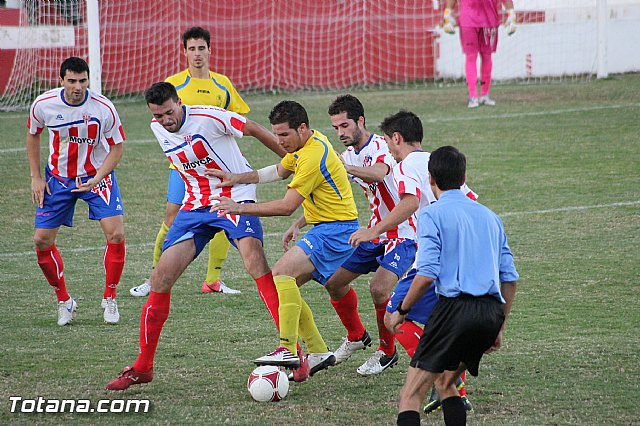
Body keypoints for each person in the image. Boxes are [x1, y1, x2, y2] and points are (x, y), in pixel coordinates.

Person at [105, 82, 285, 391]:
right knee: (161, 277)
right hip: (196, 204)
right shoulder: (157, 127)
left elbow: (253, 128)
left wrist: (291, 160)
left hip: (236, 195)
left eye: (169, 113)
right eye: (159, 116)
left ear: (179, 102)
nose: (165, 120)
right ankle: (143, 366)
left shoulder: (209, 117)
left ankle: (292, 349)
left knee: (254, 260)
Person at [207, 100, 359, 382]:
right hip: (324, 228)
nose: (279, 141)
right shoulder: (305, 146)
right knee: (284, 285)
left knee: (280, 273)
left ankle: (288, 348)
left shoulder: (313, 156)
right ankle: (317, 351)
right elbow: (278, 170)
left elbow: (287, 205)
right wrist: (235, 178)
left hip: (335, 231)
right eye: (276, 134)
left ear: (302, 128)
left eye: (284, 135)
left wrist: (239, 207)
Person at [386, 146, 518, 426]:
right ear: (464, 177)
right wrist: (499, 326)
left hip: (454, 311)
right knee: (446, 382)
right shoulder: (491, 217)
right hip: (489, 314)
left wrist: (403, 309)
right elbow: (510, 278)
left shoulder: (431, 215)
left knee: (410, 395)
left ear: (430, 179)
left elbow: (427, 272)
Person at [129, 26, 249, 298]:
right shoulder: (174, 84)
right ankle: (154, 276)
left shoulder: (223, 85)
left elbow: (237, 120)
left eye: (201, 48)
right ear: (184, 52)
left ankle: (213, 280)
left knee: (221, 215)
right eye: (192, 49)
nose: (197, 54)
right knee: (172, 218)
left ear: (210, 50)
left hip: (217, 169)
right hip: (183, 169)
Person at [27, 56, 126, 326]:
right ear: (61, 81)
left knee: (116, 233)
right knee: (41, 241)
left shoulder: (103, 107)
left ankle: (110, 297)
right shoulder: (44, 104)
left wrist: (99, 177)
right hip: (58, 179)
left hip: (96, 176)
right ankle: (64, 300)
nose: (77, 86)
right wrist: (36, 177)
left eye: (82, 81)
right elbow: (33, 134)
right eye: (71, 81)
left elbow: (117, 147)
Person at [323, 95, 417, 376]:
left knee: (378, 289)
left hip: (403, 231)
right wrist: (299, 221)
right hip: (375, 232)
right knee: (335, 283)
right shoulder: (350, 154)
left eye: (345, 125)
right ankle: (355, 336)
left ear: (360, 121)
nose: (340, 133)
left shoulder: (381, 146)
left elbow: (378, 173)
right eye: (336, 127)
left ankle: (387, 352)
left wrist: (345, 167)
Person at [442, 0, 516, 108]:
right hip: (470, 21)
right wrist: (447, 14)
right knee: (472, 57)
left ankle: (483, 95)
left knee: (486, 56)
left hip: (489, 21)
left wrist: (512, 15)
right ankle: (473, 96)